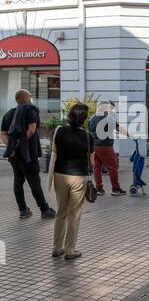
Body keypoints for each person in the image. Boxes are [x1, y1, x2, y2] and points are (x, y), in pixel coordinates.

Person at [0, 89, 56, 219]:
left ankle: (23, 210)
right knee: (34, 181)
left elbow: (2, 134)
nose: (31, 99)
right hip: (28, 154)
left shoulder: (8, 114)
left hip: (14, 154)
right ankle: (45, 210)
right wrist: (18, 144)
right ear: (25, 99)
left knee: (18, 180)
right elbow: (31, 131)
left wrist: (11, 145)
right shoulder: (30, 109)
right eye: (30, 96)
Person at [52, 103, 94, 260]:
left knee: (60, 212)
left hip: (60, 175)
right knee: (74, 214)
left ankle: (56, 248)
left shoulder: (59, 131)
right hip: (78, 176)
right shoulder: (87, 136)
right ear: (84, 118)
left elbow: (55, 150)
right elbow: (93, 162)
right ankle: (69, 250)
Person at [88, 100, 129, 196]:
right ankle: (116, 189)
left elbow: (90, 133)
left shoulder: (92, 118)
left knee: (97, 168)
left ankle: (99, 189)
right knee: (112, 167)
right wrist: (130, 135)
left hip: (95, 146)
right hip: (105, 146)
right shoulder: (108, 118)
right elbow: (119, 128)